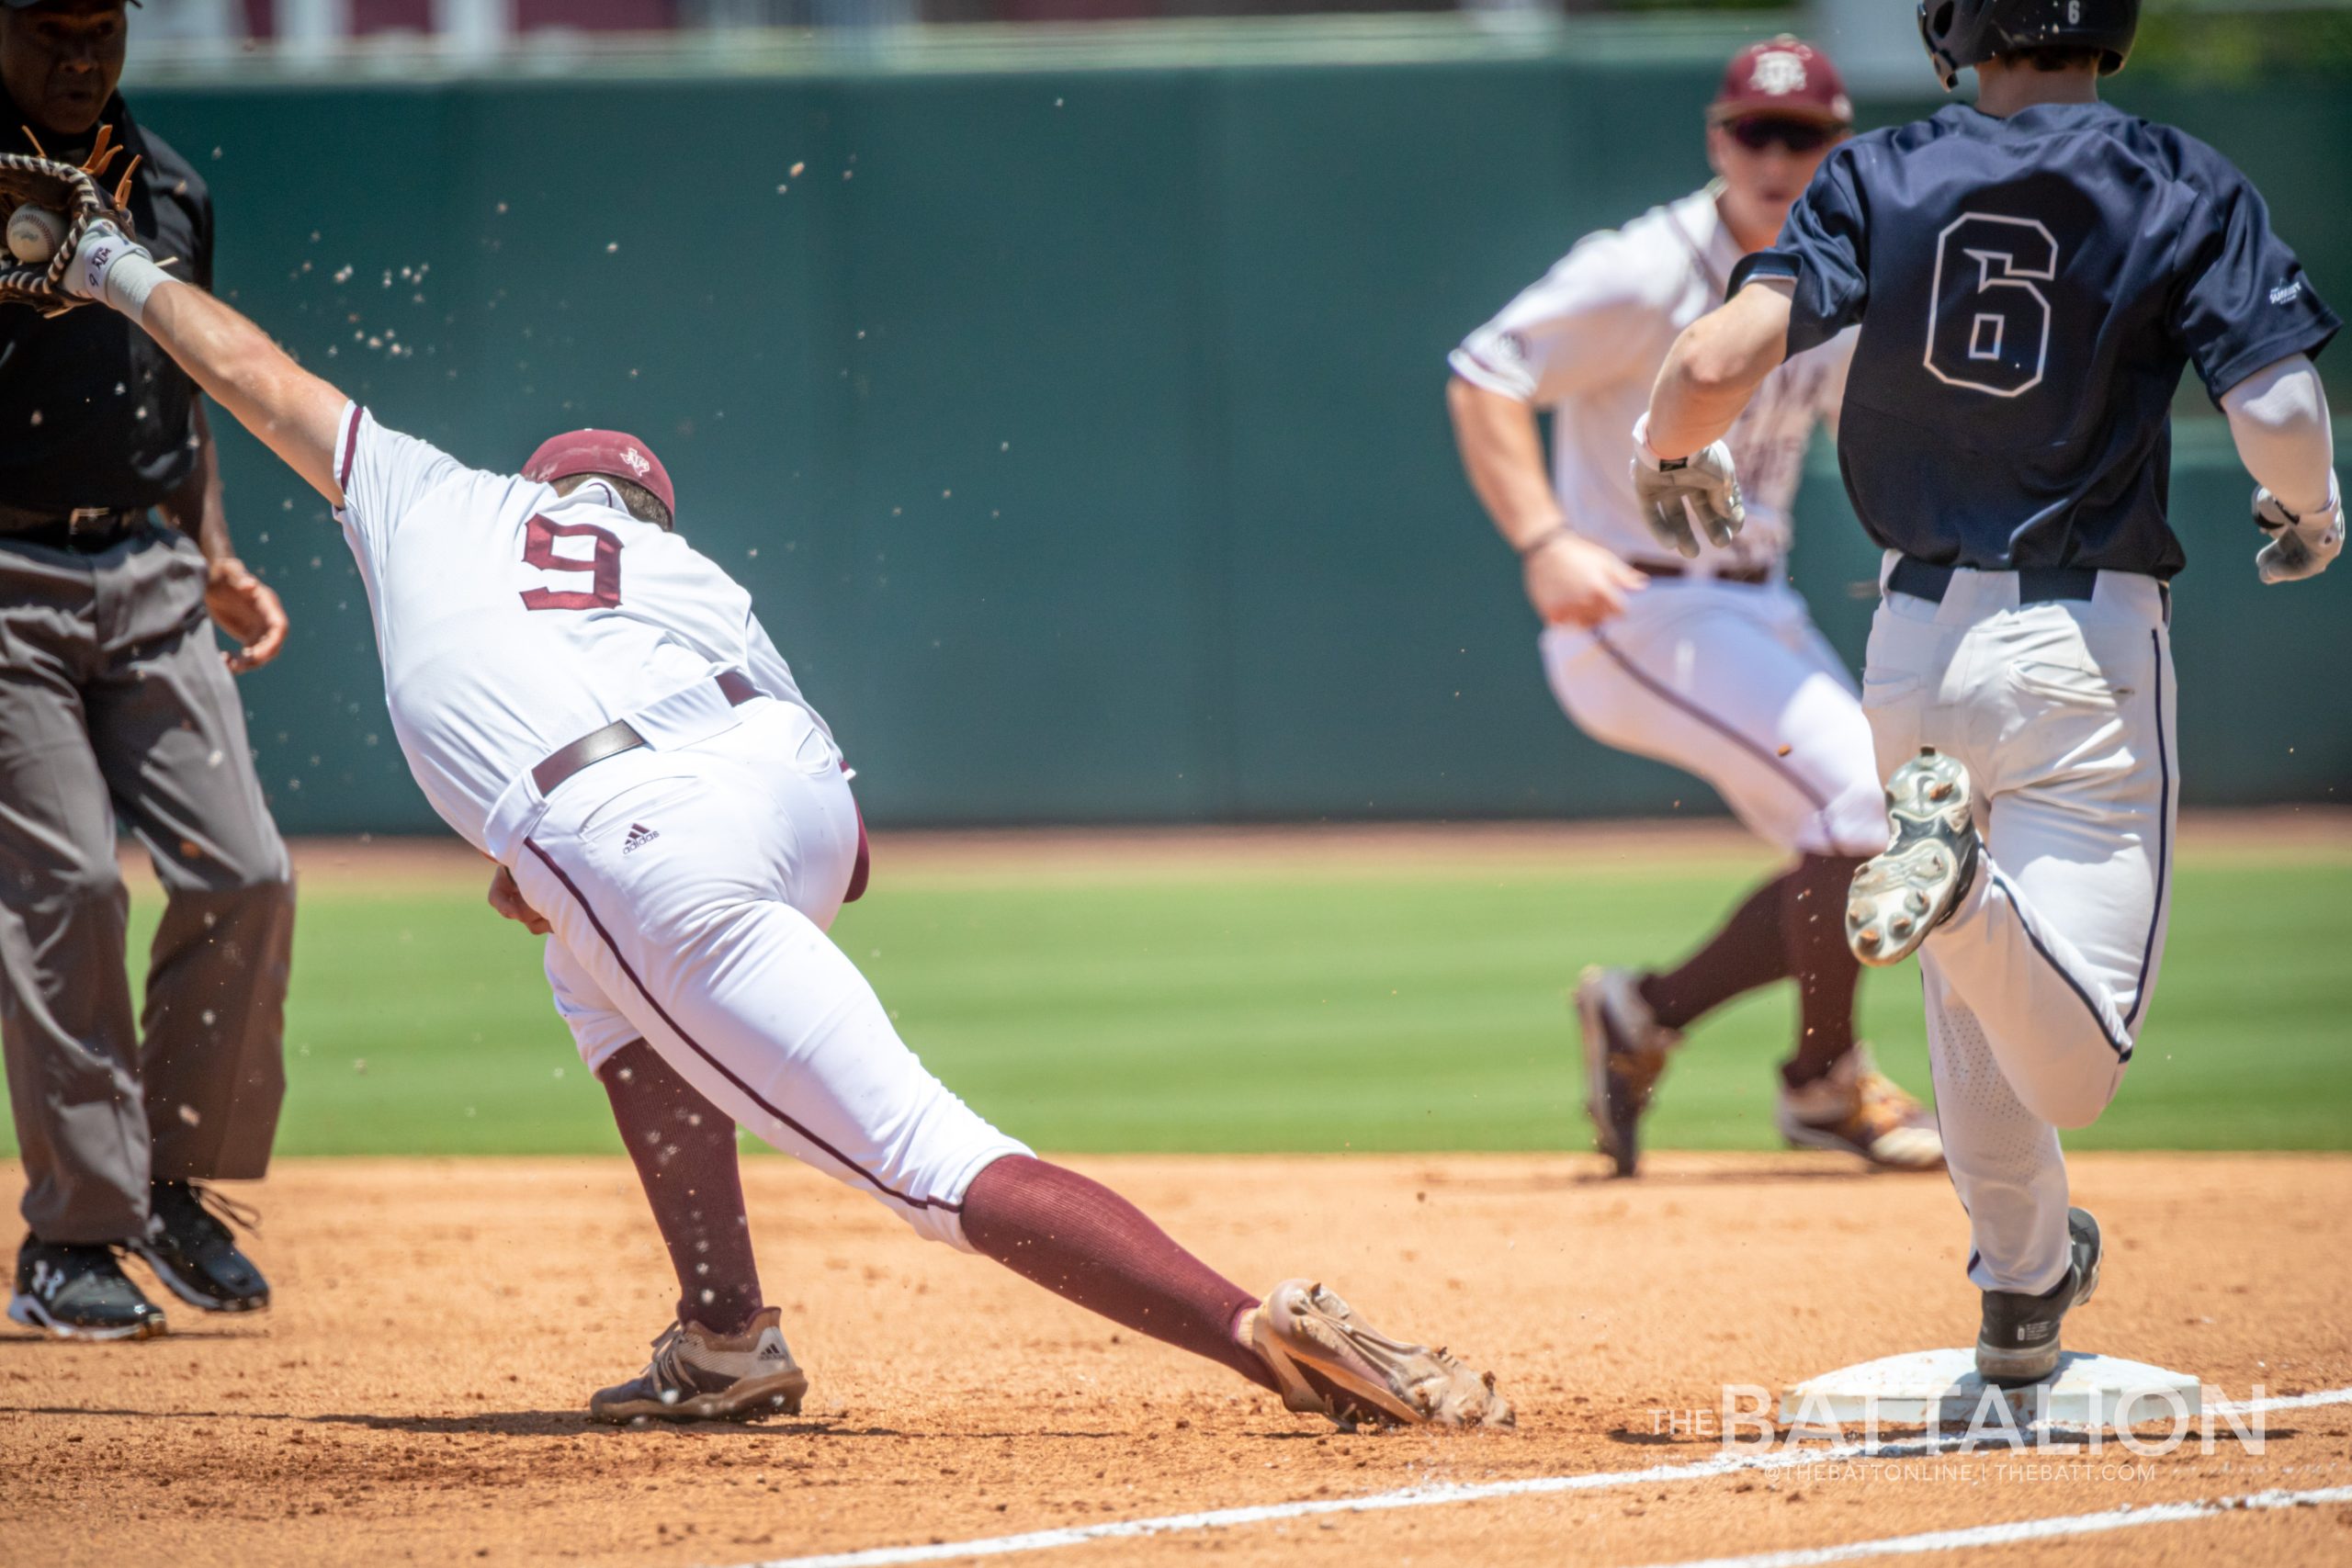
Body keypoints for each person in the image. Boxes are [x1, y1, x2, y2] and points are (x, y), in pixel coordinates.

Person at [44, 221, 1512, 1431]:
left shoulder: (440, 495)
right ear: (644, 512)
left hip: (615, 815)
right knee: (586, 957)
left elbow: (248, 369)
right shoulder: (696, 578)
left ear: (547, 486)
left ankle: (1259, 1331)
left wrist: (105, 259)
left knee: (923, 1152)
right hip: (781, 788)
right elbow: (848, 856)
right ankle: (725, 1332)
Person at [1634, 0, 2337, 1383]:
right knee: (2071, 1057)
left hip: (1910, 644)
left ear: (1959, 33)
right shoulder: (2179, 176)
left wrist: (1670, 452)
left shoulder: (1875, 171)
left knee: (1973, 999)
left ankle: (2020, 1293)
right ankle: (1955, 888)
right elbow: (2280, 411)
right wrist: (2307, 512)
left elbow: (1717, 358)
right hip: (2082, 643)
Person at [1447, 35, 1941, 1179]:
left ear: (1838, 145)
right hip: (1635, 614)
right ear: (1719, 141)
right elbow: (1483, 371)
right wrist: (1543, 538)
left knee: (1882, 846)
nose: (1776, 155)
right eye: (1754, 133)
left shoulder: (1842, 268)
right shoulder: (1640, 268)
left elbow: (1872, 432)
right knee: (1869, 816)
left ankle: (1652, 1012)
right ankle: (1817, 1081)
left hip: (1755, 607)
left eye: (1802, 135)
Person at [1, 0, 290, 1342]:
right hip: (7, 587)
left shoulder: (169, 189)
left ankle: (170, 1182)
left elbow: (181, 388)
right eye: (45, 27)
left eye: (97, 25)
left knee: (244, 869)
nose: (76, 53)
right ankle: (71, 1237)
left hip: (153, 575)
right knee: (65, 885)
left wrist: (213, 551)